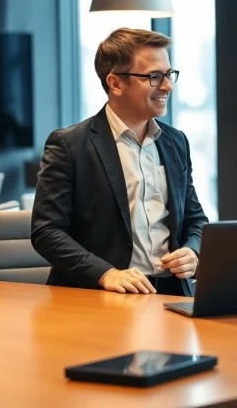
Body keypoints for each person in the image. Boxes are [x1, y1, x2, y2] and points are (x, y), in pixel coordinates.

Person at [31, 28, 208, 297]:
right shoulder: (69, 145)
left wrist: (193, 252)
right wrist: (105, 273)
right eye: (154, 77)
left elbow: (195, 220)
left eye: (169, 74)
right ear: (115, 83)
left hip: (172, 294)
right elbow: (46, 232)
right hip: (99, 297)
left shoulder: (176, 142)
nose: (167, 86)